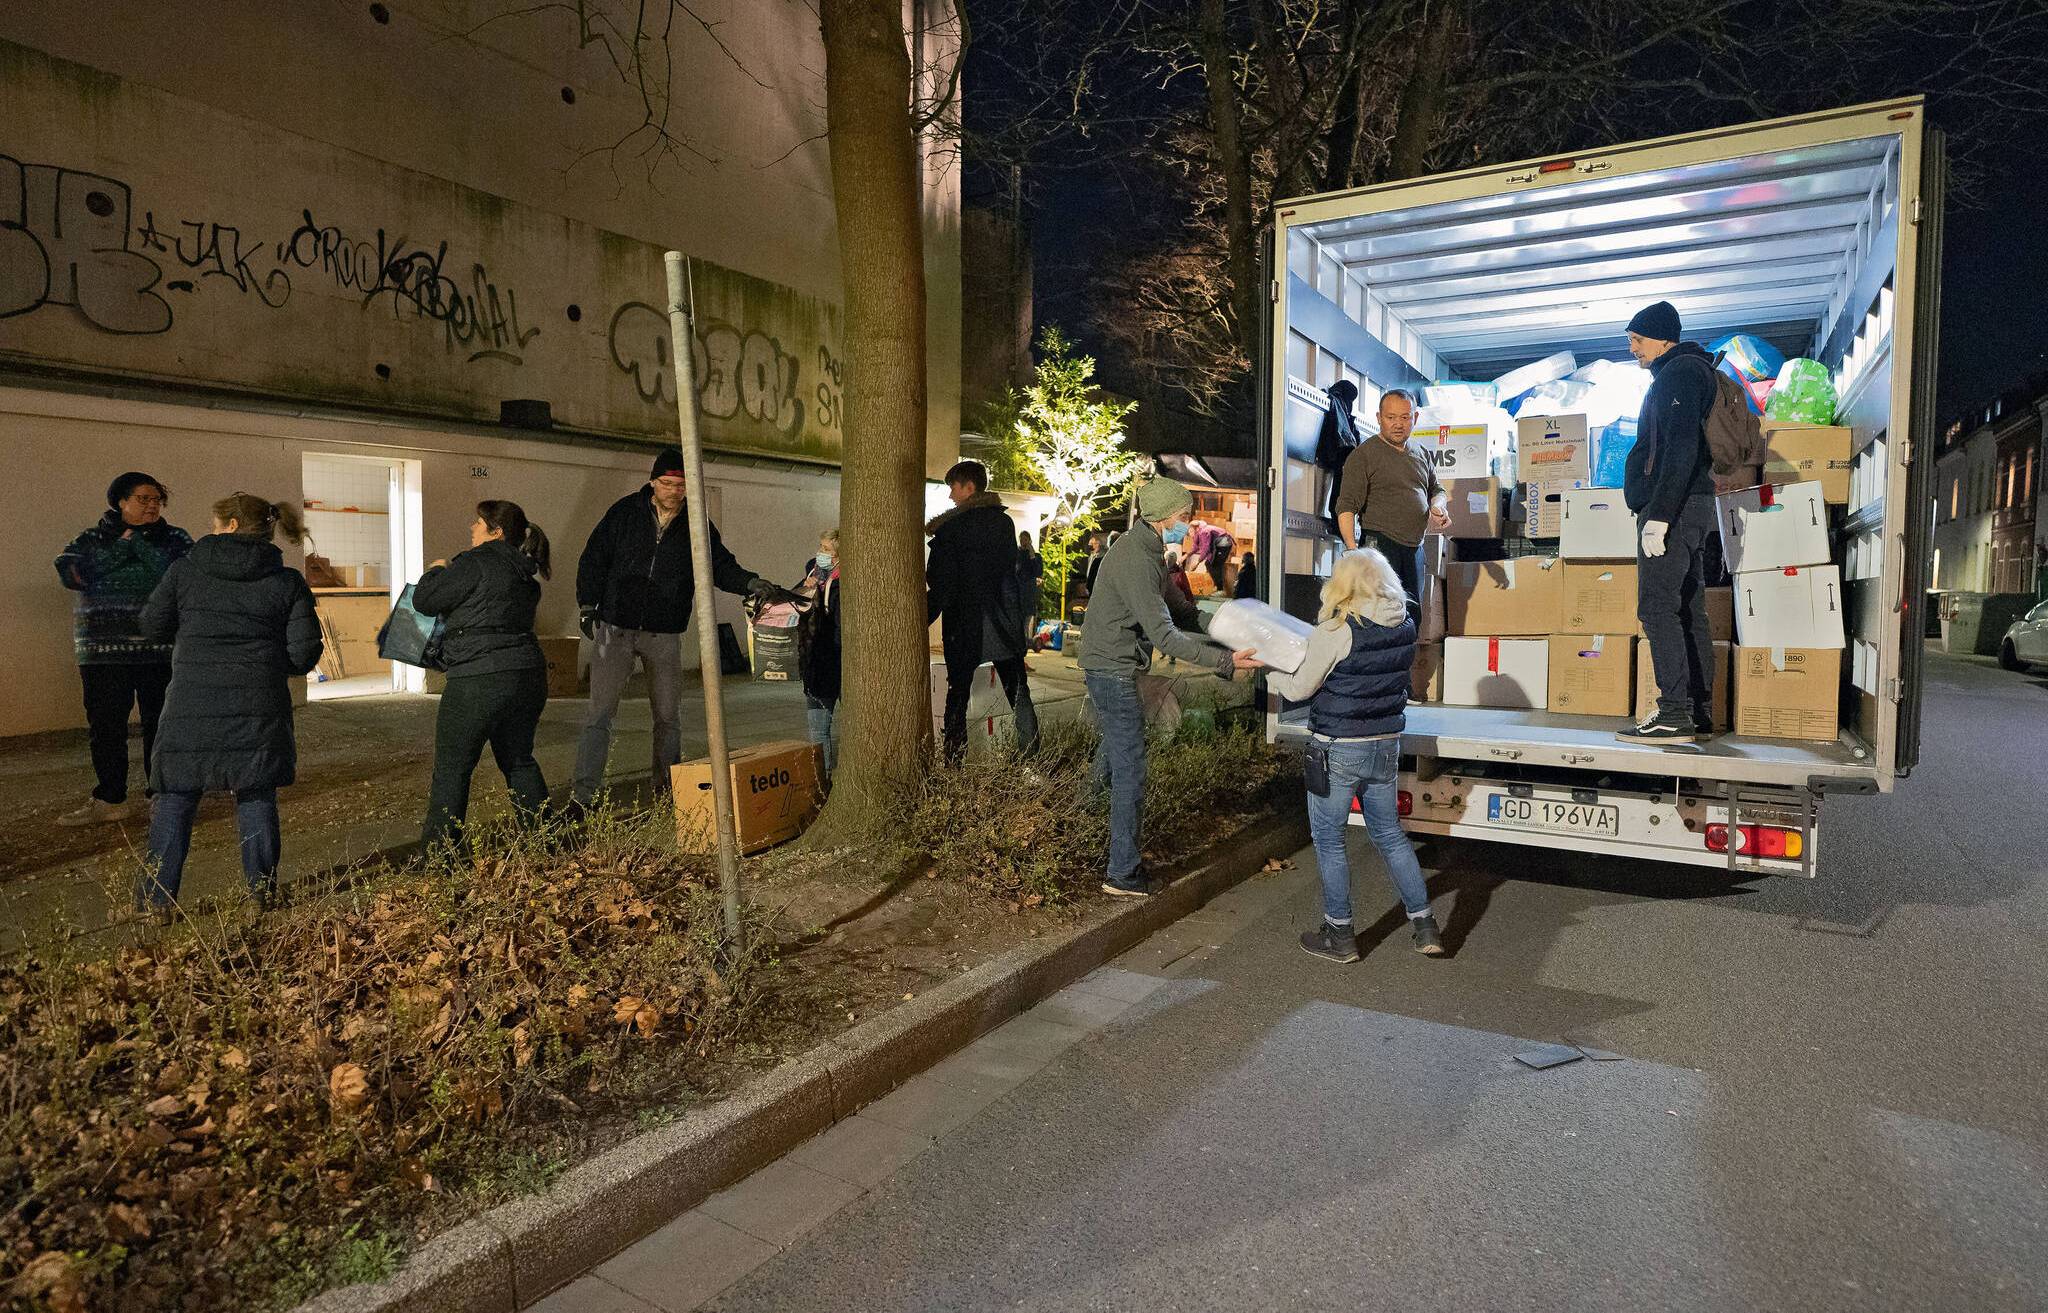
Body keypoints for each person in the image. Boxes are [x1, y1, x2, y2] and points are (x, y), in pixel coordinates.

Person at [1248, 548, 1444, 961]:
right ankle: (1425, 925)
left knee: (1329, 840)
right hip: (1385, 743)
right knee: (1390, 835)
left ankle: (1340, 934)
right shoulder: (1404, 622)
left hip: (1338, 748)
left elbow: (1300, 688)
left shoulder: (1340, 629)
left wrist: (1269, 668)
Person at [136, 493, 322, 915]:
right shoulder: (287, 581)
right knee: (256, 794)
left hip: (190, 702)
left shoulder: (185, 571)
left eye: (215, 522)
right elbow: (304, 653)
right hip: (259, 705)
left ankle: (154, 902)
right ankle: (262, 893)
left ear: (232, 525)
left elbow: (151, 625)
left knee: (176, 794)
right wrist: (266, 664)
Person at [572, 447, 779, 806]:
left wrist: (750, 583)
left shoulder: (696, 523)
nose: (674, 491)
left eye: (681, 485)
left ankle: (667, 792)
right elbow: (594, 558)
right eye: (667, 483)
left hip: (664, 631)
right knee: (599, 714)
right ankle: (583, 795)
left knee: (668, 717)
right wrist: (588, 605)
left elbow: (720, 565)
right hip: (614, 627)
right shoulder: (624, 514)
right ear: (652, 482)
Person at [1079, 475, 1253, 897]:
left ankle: (1078, 829)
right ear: (1161, 518)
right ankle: (1121, 873)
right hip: (1112, 670)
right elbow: (1165, 636)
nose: (1188, 524)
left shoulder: (1151, 551)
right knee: (1131, 767)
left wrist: (1230, 630)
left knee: (1112, 755)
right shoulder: (1137, 560)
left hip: (1115, 666)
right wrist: (1225, 662)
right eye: (1183, 516)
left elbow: (1183, 611)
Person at [53, 472, 194, 826]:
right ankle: (110, 799)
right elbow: (72, 574)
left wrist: (138, 546)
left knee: (161, 724)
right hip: (102, 651)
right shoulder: (92, 537)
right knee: (106, 726)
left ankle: (163, 797)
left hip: (160, 648)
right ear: (121, 501)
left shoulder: (175, 539)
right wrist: (120, 547)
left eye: (156, 500)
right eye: (144, 499)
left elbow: (181, 577)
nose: (152, 506)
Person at [414, 500, 554, 854]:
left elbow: (425, 601)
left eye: (478, 523)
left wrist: (434, 570)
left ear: (497, 531)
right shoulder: (526, 571)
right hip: (527, 674)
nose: (471, 528)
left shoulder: (475, 563)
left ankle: (440, 856)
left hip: (478, 677)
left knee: (452, 767)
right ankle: (545, 843)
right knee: (519, 759)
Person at [1619, 300, 1720, 744]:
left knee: (1657, 608)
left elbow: (1680, 449)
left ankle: (1674, 713)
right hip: (1691, 507)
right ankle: (1698, 710)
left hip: (1674, 509)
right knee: (1687, 608)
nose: (1633, 349)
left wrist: (1658, 517)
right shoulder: (1690, 371)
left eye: (1637, 340)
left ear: (1663, 338)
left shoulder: (1679, 374)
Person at [927, 460, 1039, 763]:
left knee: (958, 695)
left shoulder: (949, 532)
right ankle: (1032, 759)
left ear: (969, 487)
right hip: (1000, 619)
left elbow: (942, 583)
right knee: (1017, 691)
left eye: (953, 487)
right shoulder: (1003, 524)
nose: (950, 495)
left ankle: (953, 763)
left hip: (964, 624)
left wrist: (923, 616)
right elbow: (1010, 575)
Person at [1335, 389, 1451, 607]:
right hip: (1380, 546)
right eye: (1391, 418)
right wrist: (1352, 553)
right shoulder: (1363, 455)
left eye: (1405, 417)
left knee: (1413, 614)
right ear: (1379, 418)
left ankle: (1409, 643)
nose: (1398, 424)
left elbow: (1437, 489)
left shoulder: (1422, 453)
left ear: (1414, 418)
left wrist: (1438, 506)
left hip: (1415, 547)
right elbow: (1346, 506)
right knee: (1381, 612)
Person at [796, 529, 843, 774]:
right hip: (817, 659)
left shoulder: (846, 582)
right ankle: (822, 781)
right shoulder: (813, 572)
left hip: (841, 660)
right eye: (821, 547)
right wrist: (809, 590)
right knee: (818, 729)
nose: (820, 554)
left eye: (826, 550)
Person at [1018, 529, 1045, 649]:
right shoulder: (1016, 554)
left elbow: (1038, 572)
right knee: (1017, 620)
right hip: (1018, 591)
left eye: (1025, 540)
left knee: (1026, 620)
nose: (1023, 542)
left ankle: (1023, 645)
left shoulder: (1036, 556)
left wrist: (1032, 555)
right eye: (1021, 540)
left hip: (1028, 592)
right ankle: (1020, 644)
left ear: (1029, 540)